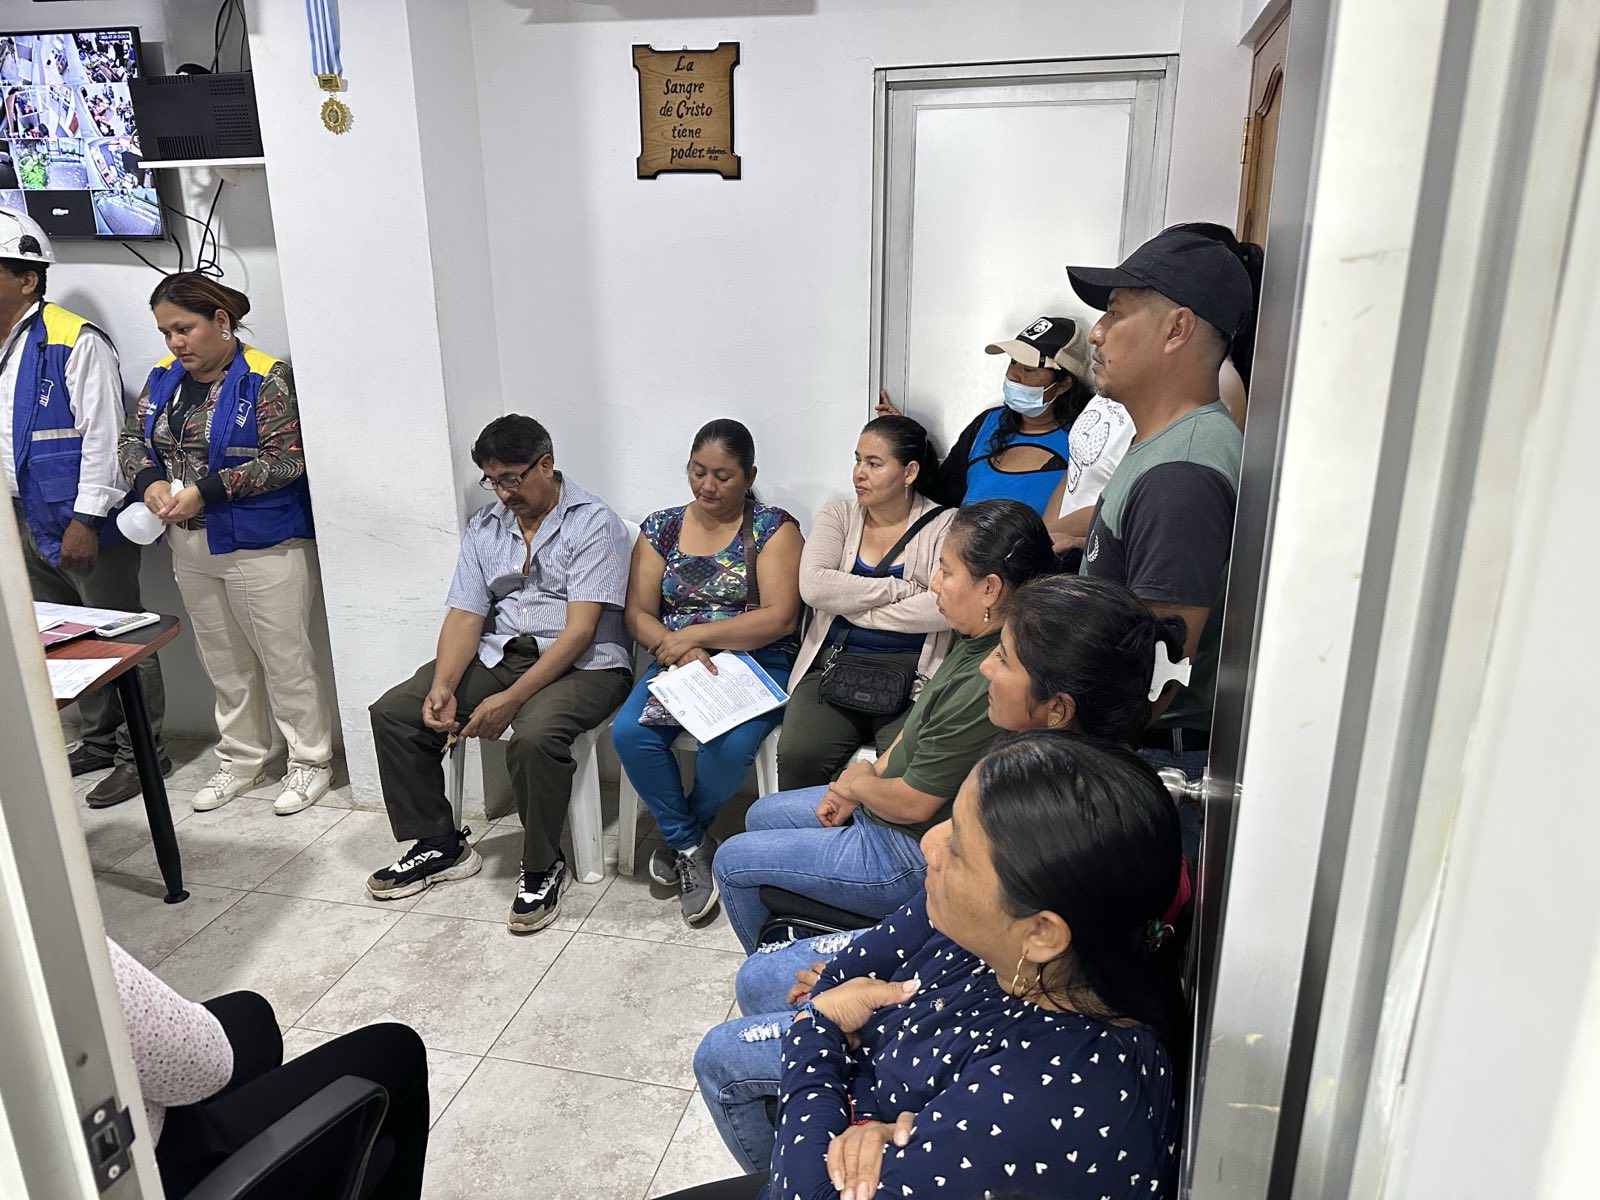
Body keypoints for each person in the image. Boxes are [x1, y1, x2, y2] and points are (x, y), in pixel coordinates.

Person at [695, 574, 1189, 1173]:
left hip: (916, 948)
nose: (986, 667)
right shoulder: (1016, 796)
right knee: (767, 980)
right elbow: (928, 931)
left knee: (735, 1028)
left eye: (1005, 658)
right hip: (931, 994)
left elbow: (928, 875)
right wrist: (843, 1002)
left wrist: (825, 1035)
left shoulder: (1050, 1076)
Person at [667, 732, 1186, 1200]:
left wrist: (819, 1028)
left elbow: (805, 1193)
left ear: (1042, 932)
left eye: (958, 847)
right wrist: (874, 1121)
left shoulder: (1045, 1101)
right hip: (856, 1107)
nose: (930, 843)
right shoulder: (1009, 942)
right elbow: (880, 955)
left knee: (727, 1053)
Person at [713, 498, 1056, 954]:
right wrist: (867, 775)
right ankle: (798, 935)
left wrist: (858, 785)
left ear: (990, 589)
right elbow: (916, 727)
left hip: (907, 848)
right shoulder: (973, 635)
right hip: (888, 811)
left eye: (945, 571)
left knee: (731, 861)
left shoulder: (989, 680)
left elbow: (914, 804)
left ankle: (777, 965)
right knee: (761, 814)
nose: (934, 584)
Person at [363, 415, 633, 933]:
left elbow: (580, 632)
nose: (504, 492)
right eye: (493, 480)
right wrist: (443, 684)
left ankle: (542, 864)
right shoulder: (486, 526)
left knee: (535, 736)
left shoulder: (593, 522)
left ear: (546, 464)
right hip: (505, 652)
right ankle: (440, 843)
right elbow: (466, 614)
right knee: (397, 713)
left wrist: (510, 699)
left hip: (587, 664)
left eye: (512, 477)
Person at [119, 272, 336, 816]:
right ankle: (241, 759)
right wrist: (150, 482)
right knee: (223, 660)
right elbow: (131, 439)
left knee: (285, 659)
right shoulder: (163, 377)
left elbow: (288, 460)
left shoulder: (266, 377)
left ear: (221, 321)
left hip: (262, 544)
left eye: (184, 329)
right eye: (166, 332)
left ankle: (310, 761)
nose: (175, 342)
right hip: (189, 544)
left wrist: (207, 491)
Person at [1065, 224, 1258, 779]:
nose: (1096, 333)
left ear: (1177, 329)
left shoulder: (1182, 473)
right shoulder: (1166, 443)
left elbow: (1156, 676)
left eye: (1115, 312)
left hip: (1145, 756)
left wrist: (1087, 767)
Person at [1, 207, 170, 809]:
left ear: (28, 279)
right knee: (61, 635)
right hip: (18, 516)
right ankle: (98, 741)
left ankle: (140, 752)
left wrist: (85, 520)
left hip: (80, 518)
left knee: (121, 632)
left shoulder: (75, 340)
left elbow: (105, 436)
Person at [612, 419, 803, 925]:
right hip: (677, 659)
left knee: (729, 747)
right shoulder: (662, 527)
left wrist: (696, 636)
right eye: (698, 471)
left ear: (749, 476)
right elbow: (637, 612)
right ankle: (692, 844)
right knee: (630, 733)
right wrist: (674, 647)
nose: (707, 486)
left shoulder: (773, 528)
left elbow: (781, 618)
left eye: (723, 475)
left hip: (756, 659)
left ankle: (682, 834)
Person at [107, 937, 429, 1198]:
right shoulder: (74, 963)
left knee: (251, 1016)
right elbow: (208, 1064)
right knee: (398, 1049)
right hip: (162, 1169)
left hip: (140, 1124)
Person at [775, 414, 955, 790]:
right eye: (857, 460)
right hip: (833, 663)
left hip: (914, 675)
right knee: (798, 754)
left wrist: (851, 606)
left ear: (909, 472)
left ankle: (869, 831)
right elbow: (814, 587)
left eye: (874, 463)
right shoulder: (838, 515)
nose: (859, 473)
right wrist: (898, 589)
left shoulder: (946, 524)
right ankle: (801, 829)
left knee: (903, 769)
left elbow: (942, 608)